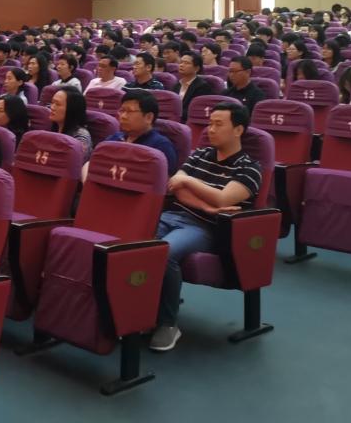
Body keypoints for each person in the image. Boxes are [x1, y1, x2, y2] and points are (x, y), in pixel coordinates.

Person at [149, 102, 261, 352]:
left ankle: (167, 324)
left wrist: (189, 181)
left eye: (218, 124)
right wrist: (205, 204)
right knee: (132, 243)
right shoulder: (199, 154)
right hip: (174, 215)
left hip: (205, 228)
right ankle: (138, 313)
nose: (210, 129)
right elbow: (175, 188)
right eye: (210, 124)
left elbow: (223, 199)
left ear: (238, 130)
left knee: (164, 253)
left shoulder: (249, 167)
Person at [97, 90, 177, 176]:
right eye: (122, 110)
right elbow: (94, 164)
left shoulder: (161, 146)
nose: (123, 116)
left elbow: (163, 181)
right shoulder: (114, 139)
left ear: (149, 117)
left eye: (129, 111)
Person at [49, 87, 92, 160]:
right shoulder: (53, 127)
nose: (52, 107)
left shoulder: (81, 137)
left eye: (57, 104)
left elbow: (73, 162)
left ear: (72, 109)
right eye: (52, 102)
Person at [174, 53, 212, 122]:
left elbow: (197, 111)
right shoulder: (176, 85)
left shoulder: (202, 87)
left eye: (186, 63)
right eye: (181, 62)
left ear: (196, 68)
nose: (181, 65)